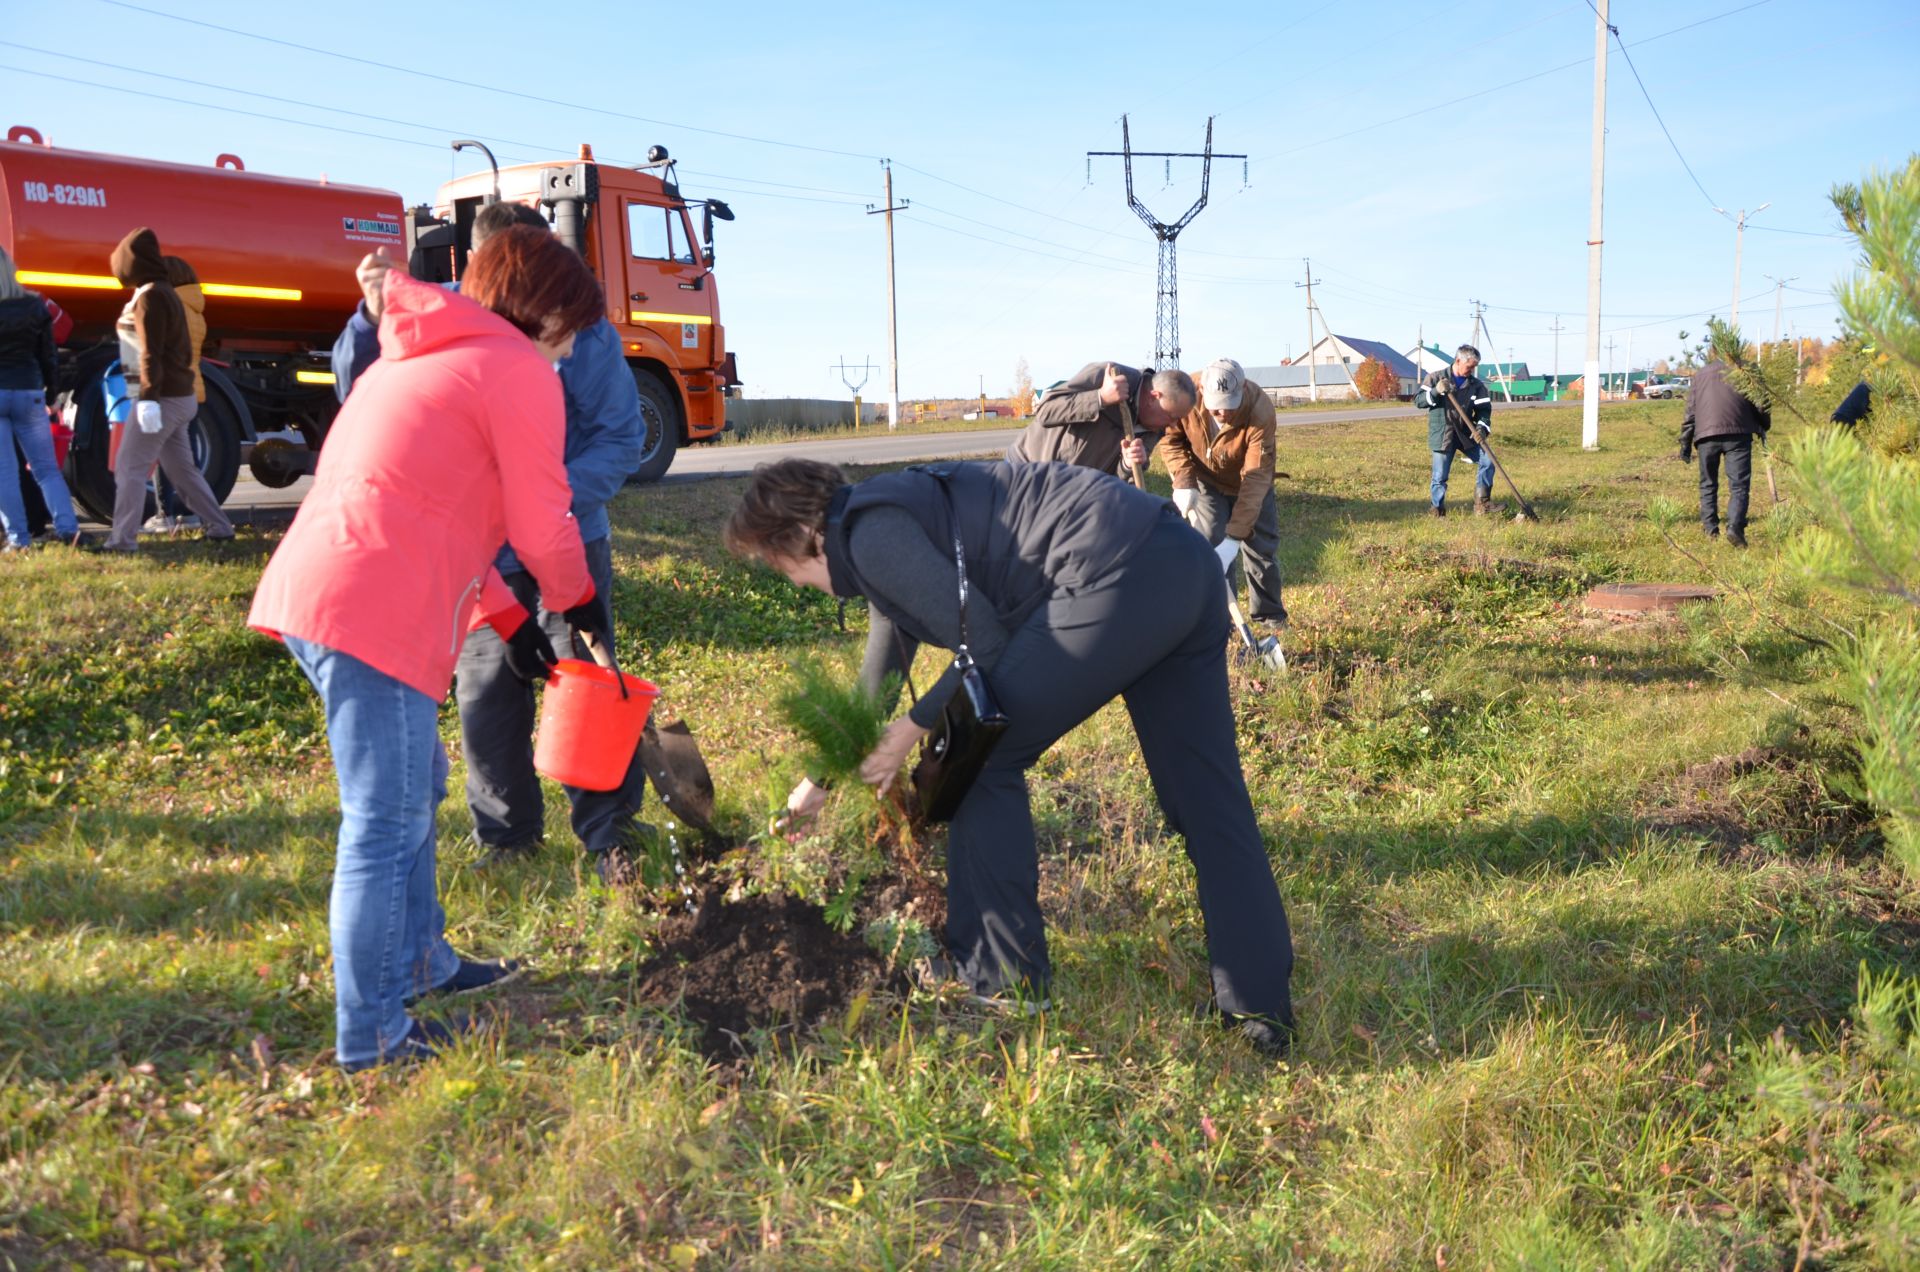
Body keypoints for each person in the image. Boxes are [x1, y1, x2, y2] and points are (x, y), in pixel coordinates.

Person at [730, 458, 1296, 1055]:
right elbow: (878, 679)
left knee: (978, 759)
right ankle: (1260, 1011)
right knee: (1210, 801)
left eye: (778, 564)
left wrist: (913, 729)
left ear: (802, 535)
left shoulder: (873, 536)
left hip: (1115, 575)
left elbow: (986, 642)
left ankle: (1002, 979)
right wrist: (816, 784)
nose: (791, 582)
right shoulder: (876, 522)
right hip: (1179, 563)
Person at [248, 226, 604, 1071]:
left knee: (417, 784)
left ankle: (422, 963)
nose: (576, 344)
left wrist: (516, 625)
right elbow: (542, 519)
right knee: (384, 819)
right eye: (575, 326)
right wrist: (575, 599)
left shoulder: (418, 358)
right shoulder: (514, 369)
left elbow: (433, 515)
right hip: (371, 606)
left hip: (327, 592)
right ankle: (371, 1034)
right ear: (545, 311)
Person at [335, 201, 648, 880]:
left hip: (566, 536)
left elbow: (621, 437)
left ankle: (609, 833)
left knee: (588, 682)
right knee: (485, 691)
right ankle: (506, 841)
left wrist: (539, 499)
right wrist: (366, 318)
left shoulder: (581, 328)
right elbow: (361, 385)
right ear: (474, 268)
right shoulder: (440, 319)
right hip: (475, 553)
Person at [100, 228, 235, 552]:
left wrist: (147, 399)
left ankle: (122, 540)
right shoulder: (163, 292)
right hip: (178, 396)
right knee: (183, 471)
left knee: (129, 467)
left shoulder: (151, 296)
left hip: (161, 398)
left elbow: (151, 352)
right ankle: (220, 527)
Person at [1162, 358, 1287, 628]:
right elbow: (1170, 438)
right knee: (1210, 544)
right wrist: (1183, 479)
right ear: (1203, 392)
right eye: (1215, 407)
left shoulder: (1260, 409)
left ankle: (1270, 615)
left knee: (1261, 546)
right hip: (1206, 480)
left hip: (1253, 480)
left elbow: (1255, 478)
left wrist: (1234, 540)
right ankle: (1222, 619)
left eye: (1229, 405)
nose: (1222, 414)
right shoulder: (1184, 395)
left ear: (1241, 389)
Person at [0, 245, 84, 551]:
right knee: (46, 468)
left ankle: (18, 540)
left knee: (4, 474)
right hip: (29, 393)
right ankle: (68, 529)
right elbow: (48, 355)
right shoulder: (34, 305)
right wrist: (52, 393)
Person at [1006, 361, 1195, 480]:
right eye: (1172, 417)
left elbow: (1116, 479)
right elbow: (1046, 411)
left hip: (1067, 494)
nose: (1172, 426)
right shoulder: (1107, 376)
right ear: (1154, 397)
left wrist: (1128, 466)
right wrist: (1100, 398)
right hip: (1025, 472)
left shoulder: (1155, 428)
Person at [1678, 357, 1770, 548]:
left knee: (1708, 484)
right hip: (1738, 433)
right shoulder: (1745, 370)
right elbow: (1761, 402)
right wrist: (1764, 424)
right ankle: (1735, 528)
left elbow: (1691, 411)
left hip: (1706, 436)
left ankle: (1710, 530)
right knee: (1739, 485)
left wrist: (1685, 442)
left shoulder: (1701, 374)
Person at [1416, 344, 1494, 517]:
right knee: (1440, 477)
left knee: (1488, 461)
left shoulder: (1476, 385)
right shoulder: (1435, 378)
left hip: (1467, 434)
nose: (1472, 371)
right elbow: (1419, 401)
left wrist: (1482, 428)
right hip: (1443, 434)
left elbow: (1484, 411)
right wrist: (1436, 392)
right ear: (1458, 361)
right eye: (1470, 367)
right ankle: (1437, 511)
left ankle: (1482, 504)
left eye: (1474, 367)